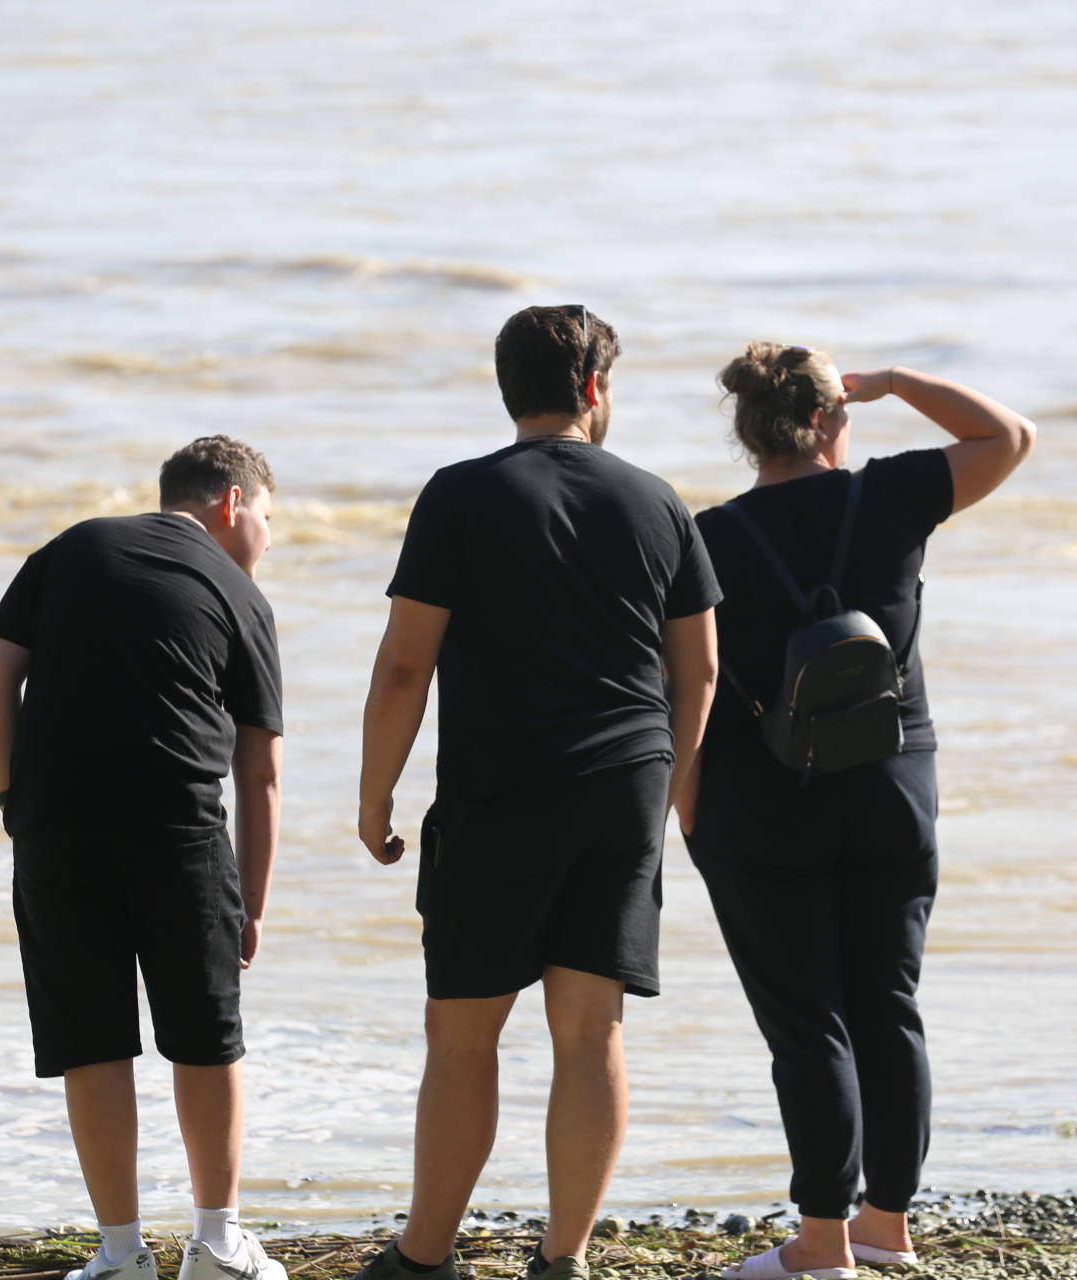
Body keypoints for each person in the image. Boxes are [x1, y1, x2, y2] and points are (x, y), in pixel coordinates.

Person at [355, 305, 722, 1280]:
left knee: (463, 1033)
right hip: (624, 786)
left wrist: (373, 795)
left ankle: (423, 1256)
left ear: (507, 388)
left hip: (500, 788)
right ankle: (563, 1259)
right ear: (596, 389)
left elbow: (403, 666)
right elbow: (703, 669)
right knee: (590, 1028)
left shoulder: (460, 495)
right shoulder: (658, 501)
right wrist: (673, 792)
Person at [683, 345, 1034, 1280]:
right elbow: (1008, 435)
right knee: (888, 1003)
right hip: (892, 782)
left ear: (746, 433)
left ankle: (822, 1247)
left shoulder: (705, 537)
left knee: (808, 1019)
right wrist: (894, 383)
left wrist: (685, 810)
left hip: (763, 797)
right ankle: (886, 1229)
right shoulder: (887, 496)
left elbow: (693, 684)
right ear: (834, 418)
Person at [0, 435, 289, 1280]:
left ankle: (119, 1255)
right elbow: (259, 770)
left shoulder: (73, 546)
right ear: (231, 504)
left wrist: (14, 800)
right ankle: (218, 1245)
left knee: (92, 1042)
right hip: (178, 834)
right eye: (267, 517)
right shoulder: (241, 594)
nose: (265, 535)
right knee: (207, 1038)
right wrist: (252, 906)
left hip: (57, 832)